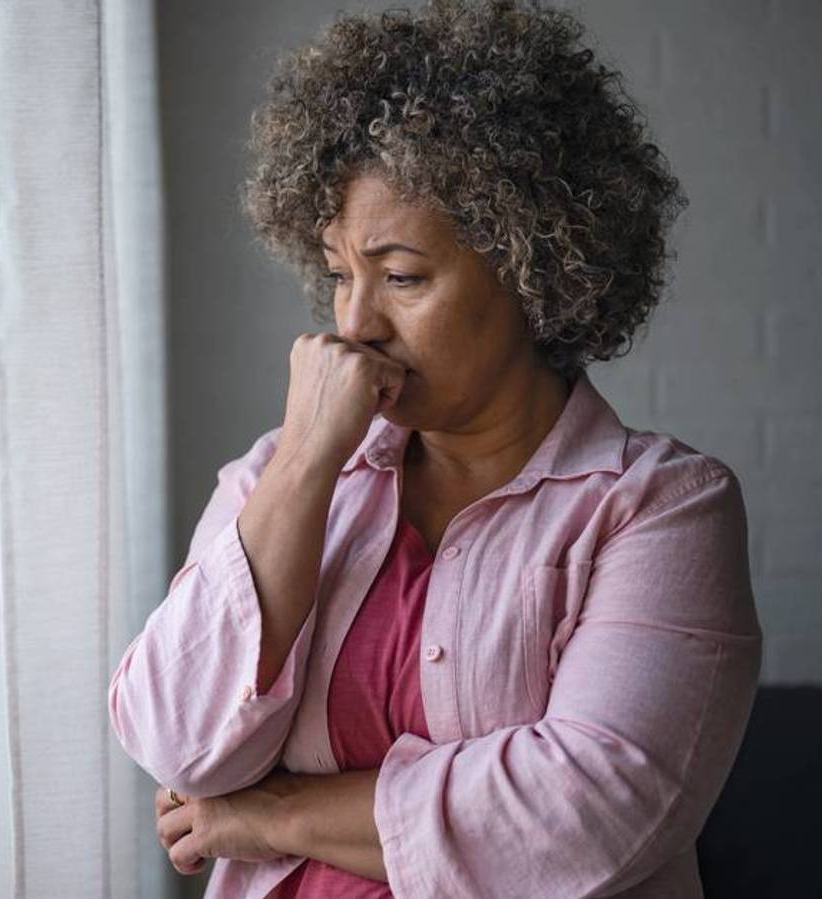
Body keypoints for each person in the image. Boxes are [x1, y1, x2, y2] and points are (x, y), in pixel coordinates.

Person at [106, 2, 762, 897]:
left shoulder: (659, 508)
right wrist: (305, 460)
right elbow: (176, 740)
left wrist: (273, 815)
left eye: (402, 276)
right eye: (339, 273)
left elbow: (583, 811)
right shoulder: (282, 474)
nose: (352, 322)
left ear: (537, 266)